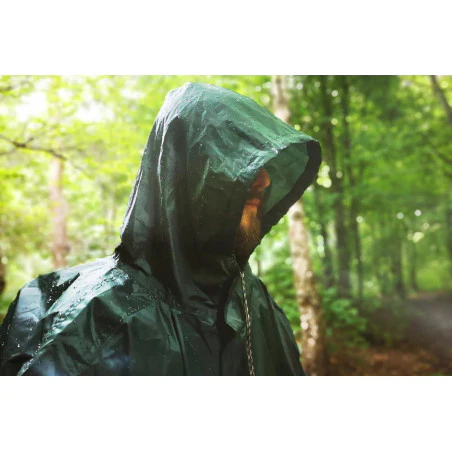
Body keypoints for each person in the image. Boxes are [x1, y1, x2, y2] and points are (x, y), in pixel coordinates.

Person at [0, 82, 321, 376]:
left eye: (263, 164)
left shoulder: (258, 307)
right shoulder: (95, 326)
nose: (264, 180)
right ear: (184, 177)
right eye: (242, 163)